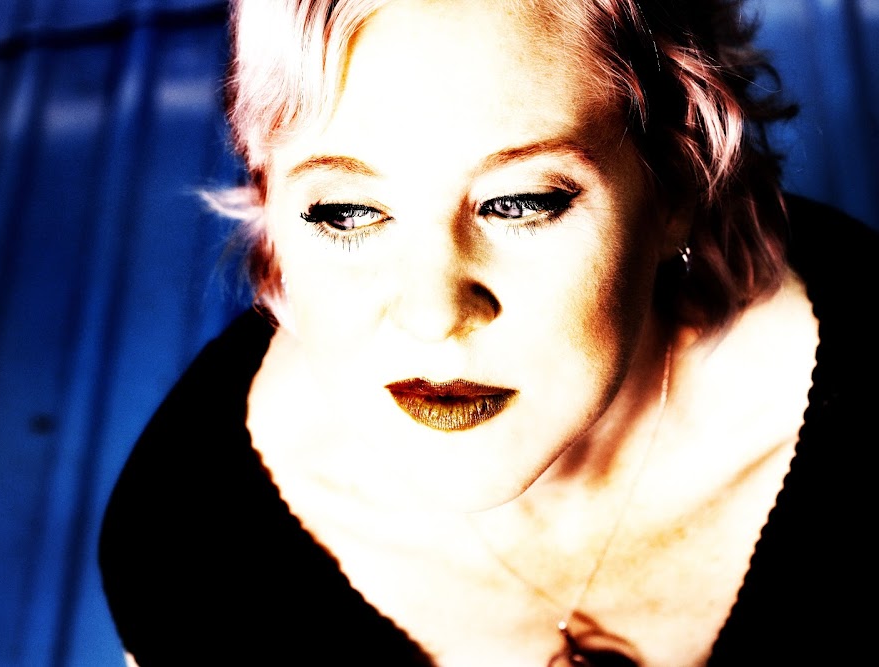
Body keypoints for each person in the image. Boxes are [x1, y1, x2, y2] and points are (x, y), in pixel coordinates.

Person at [98, 0, 878, 664]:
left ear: (676, 181)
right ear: (271, 205)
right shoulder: (187, 542)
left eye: (520, 202)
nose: (433, 314)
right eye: (346, 212)